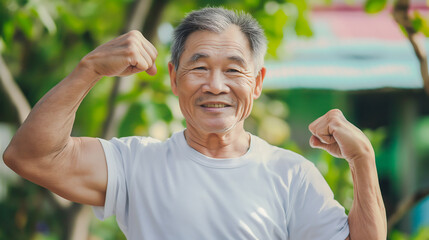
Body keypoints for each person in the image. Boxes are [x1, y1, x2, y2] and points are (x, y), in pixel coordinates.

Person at [3, 7, 386, 240]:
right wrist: (87, 71)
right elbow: (31, 156)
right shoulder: (135, 163)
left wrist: (363, 160)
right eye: (199, 68)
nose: (215, 85)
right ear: (173, 78)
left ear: (257, 83)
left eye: (233, 70)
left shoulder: (291, 175)